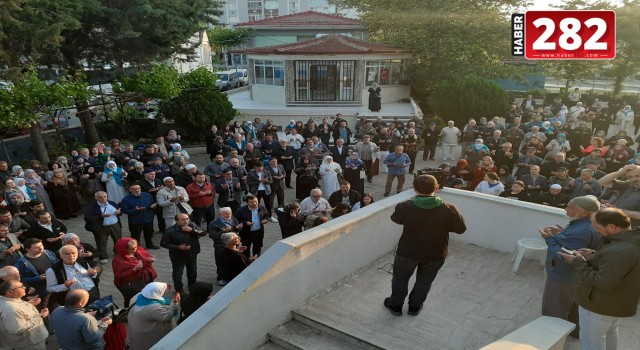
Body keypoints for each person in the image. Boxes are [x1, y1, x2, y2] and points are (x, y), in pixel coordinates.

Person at [384, 175, 466, 316]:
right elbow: (461, 229)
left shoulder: (405, 206)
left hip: (407, 252)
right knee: (424, 281)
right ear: (436, 187)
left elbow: (396, 219)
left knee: (400, 279)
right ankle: (414, 307)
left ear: (414, 189)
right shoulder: (449, 208)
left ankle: (396, 306)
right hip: (435, 253)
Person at [559, 208, 640, 350]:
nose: (596, 231)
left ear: (611, 227)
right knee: (610, 334)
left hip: (599, 305)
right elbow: (620, 265)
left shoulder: (619, 251)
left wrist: (577, 262)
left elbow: (604, 281)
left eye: (597, 228)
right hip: (617, 303)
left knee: (591, 341)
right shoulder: (631, 242)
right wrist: (595, 254)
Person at [539, 195, 601, 334]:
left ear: (584, 212)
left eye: (570, 208)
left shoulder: (580, 231)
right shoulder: (587, 224)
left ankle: (551, 337)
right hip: (579, 277)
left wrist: (549, 239)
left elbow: (564, 256)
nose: (566, 209)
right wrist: (562, 234)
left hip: (564, 276)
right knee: (574, 307)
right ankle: (575, 332)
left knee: (555, 308)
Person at [160, 213, 206, 294]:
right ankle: (179, 290)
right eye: (182, 220)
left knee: (193, 271)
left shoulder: (192, 225)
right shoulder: (169, 231)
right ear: (177, 221)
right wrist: (178, 247)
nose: (185, 221)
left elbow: (203, 232)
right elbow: (163, 243)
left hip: (192, 254)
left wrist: (192, 230)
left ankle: (192, 285)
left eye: (187, 219)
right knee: (178, 274)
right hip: (178, 256)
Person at [127, 282, 180, 350]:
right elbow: (167, 316)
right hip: (147, 335)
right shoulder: (153, 308)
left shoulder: (138, 296)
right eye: (163, 290)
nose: (164, 291)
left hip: (136, 330)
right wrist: (175, 302)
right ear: (155, 293)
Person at [0, 280, 49, 350]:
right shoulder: (12, 309)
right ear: (9, 292)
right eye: (21, 287)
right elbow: (17, 329)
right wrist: (39, 317)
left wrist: (28, 304)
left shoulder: (7, 299)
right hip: (31, 344)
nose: (25, 288)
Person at [112, 238, 157, 307]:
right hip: (129, 285)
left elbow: (145, 258)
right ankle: (128, 312)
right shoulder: (118, 261)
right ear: (123, 249)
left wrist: (149, 260)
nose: (134, 250)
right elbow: (119, 276)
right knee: (131, 300)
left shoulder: (139, 251)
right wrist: (134, 269)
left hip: (142, 280)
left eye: (135, 247)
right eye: (130, 249)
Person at [84, 191, 122, 264]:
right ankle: (102, 257)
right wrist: (101, 216)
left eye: (105, 196)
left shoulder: (112, 203)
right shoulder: (92, 206)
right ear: (96, 198)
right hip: (102, 227)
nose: (103, 198)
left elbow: (120, 212)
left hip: (115, 225)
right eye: (100, 197)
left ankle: (118, 253)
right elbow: (87, 218)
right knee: (101, 242)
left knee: (118, 240)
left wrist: (119, 212)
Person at [208, 207, 243, 286]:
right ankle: (220, 277)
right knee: (220, 262)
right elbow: (212, 236)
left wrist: (238, 229)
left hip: (234, 245)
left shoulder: (233, 219)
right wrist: (222, 232)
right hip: (221, 246)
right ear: (220, 214)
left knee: (233, 261)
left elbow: (236, 231)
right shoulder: (214, 223)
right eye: (226, 214)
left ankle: (233, 275)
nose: (229, 215)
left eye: (230, 213)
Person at [121, 183, 159, 249]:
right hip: (135, 221)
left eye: (138, 188)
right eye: (134, 189)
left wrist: (154, 205)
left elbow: (153, 202)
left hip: (148, 219)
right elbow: (125, 210)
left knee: (149, 233)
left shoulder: (147, 195)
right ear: (130, 190)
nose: (136, 190)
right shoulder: (126, 199)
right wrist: (135, 210)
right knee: (135, 236)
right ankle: (136, 248)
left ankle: (149, 244)